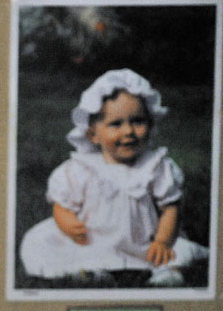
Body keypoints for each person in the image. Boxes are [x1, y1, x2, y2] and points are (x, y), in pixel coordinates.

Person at [20, 69, 209, 286]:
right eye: (116, 124)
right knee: (39, 241)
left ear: (151, 124)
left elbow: (170, 207)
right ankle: (91, 272)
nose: (128, 131)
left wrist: (162, 240)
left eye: (138, 121)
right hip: (93, 241)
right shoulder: (82, 168)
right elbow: (61, 204)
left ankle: (167, 273)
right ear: (93, 134)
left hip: (145, 243)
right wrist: (67, 223)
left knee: (176, 249)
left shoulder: (155, 166)